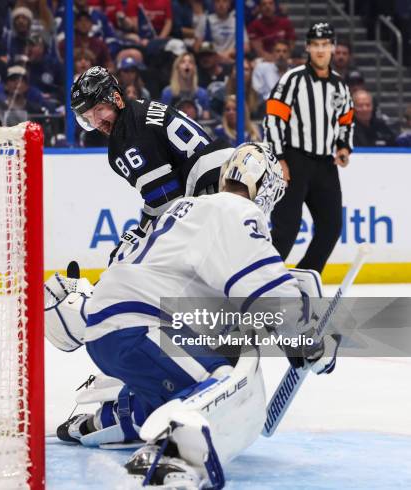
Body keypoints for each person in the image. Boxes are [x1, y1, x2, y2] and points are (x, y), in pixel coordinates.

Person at [44, 142, 340, 487]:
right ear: (263, 188)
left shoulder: (185, 208)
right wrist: (308, 339)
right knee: (226, 383)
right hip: (143, 327)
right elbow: (264, 286)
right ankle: (174, 458)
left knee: (179, 383)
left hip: (107, 329)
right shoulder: (239, 212)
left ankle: (104, 420)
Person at [71, 66, 234, 259]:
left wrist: (140, 235)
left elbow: (165, 200)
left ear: (115, 98)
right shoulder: (139, 110)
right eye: (88, 117)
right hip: (228, 180)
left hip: (214, 194)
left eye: (99, 110)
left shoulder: (127, 136)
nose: (97, 122)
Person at [263, 23, 354, 274]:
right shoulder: (293, 79)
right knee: (286, 230)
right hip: (294, 160)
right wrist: (279, 159)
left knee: (332, 227)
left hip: (325, 164)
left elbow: (346, 120)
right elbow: (272, 118)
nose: (321, 50)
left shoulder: (340, 85)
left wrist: (344, 147)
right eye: (316, 45)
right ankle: (258, 278)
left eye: (325, 44)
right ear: (308, 47)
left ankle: (303, 278)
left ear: (333, 47)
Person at [160, 53, 210, 119]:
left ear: (194, 68)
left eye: (190, 62)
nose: (187, 64)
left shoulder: (202, 94)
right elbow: (164, 118)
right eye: (183, 62)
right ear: (177, 68)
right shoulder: (168, 93)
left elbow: (206, 119)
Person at [205, 0, 249, 65]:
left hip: (233, 59)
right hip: (213, 61)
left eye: (225, 1)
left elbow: (246, 47)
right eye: (217, 1)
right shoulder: (207, 21)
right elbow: (202, 45)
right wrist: (218, 56)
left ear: (229, 4)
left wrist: (230, 53)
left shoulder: (237, 21)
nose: (221, 4)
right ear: (213, 4)